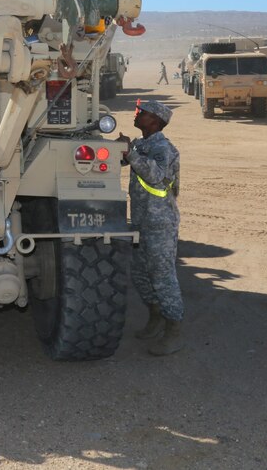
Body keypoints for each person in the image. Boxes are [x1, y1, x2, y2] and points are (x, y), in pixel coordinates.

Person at [117, 100, 183, 356]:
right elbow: (124, 161)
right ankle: (155, 318)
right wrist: (121, 150)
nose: (137, 115)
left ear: (155, 121)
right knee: (141, 274)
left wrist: (130, 153)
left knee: (163, 277)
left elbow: (154, 176)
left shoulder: (162, 148)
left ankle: (174, 331)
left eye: (142, 113)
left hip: (160, 223)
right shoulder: (143, 144)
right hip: (142, 221)